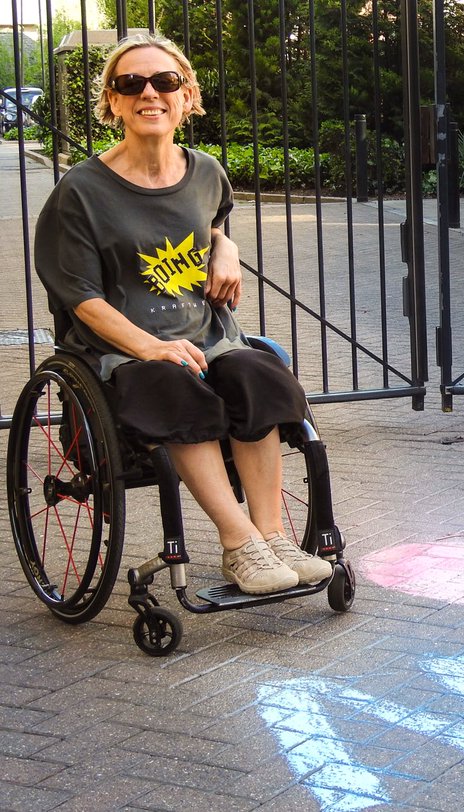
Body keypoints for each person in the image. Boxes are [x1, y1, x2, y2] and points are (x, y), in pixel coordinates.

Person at [34, 33, 331, 595]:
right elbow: (81, 297)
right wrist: (148, 346)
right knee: (175, 385)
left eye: (165, 81)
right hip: (121, 348)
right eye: (131, 83)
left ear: (188, 96)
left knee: (259, 374)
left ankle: (272, 537)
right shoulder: (80, 192)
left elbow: (214, 220)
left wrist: (227, 247)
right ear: (112, 102)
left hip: (204, 332)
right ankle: (240, 544)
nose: (150, 92)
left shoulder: (206, 171)